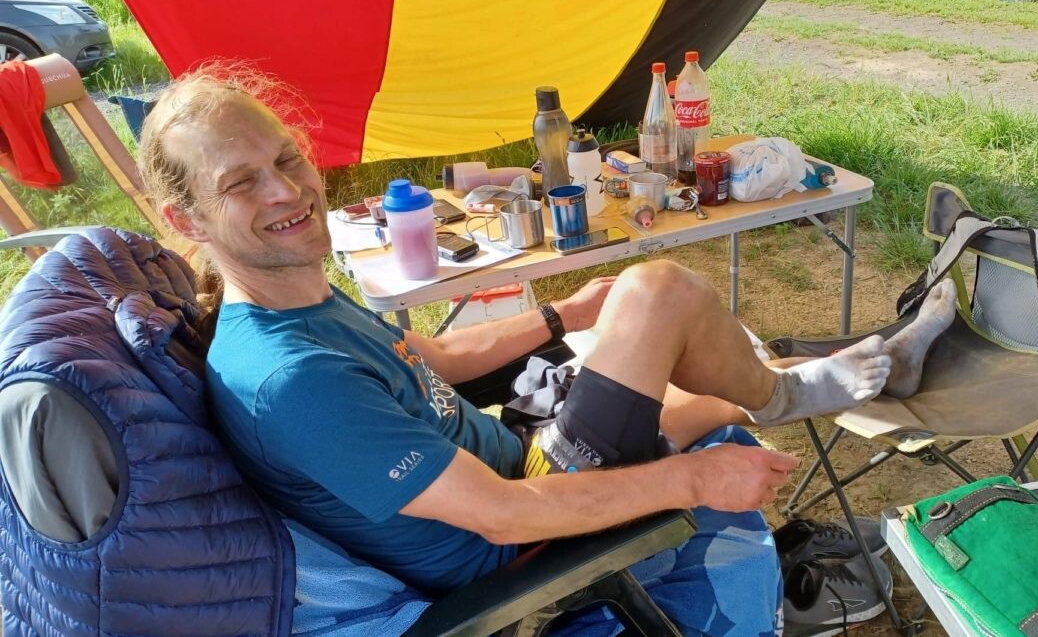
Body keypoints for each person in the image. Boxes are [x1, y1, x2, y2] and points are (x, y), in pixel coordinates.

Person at [139, 65, 958, 634]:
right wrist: (695, 479)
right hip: (517, 534)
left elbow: (430, 359)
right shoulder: (290, 379)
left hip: (515, 451)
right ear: (185, 219)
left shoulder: (295, 300)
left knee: (701, 387)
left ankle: (815, 382)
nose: (287, 190)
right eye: (240, 182)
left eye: (286, 158)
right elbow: (500, 515)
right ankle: (806, 388)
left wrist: (563, 313)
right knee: (659, 296)